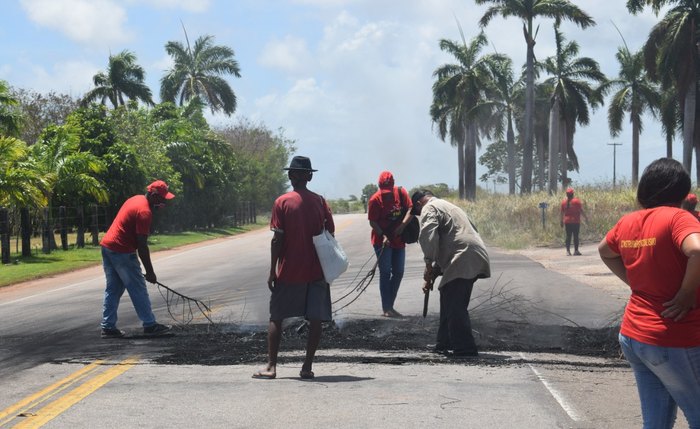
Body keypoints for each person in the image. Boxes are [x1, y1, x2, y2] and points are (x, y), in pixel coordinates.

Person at [598, 158, 700, 429]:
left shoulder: (628, 221)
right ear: (680, 190)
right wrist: (687, 293)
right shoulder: (678, 217)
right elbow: (698, 250)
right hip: (672, 336)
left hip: (634, 336)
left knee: (656, 423)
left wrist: (634, 281)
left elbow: (604, 251)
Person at [253, 155, 334, 380]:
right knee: (315, 319)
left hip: (290, 271)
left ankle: (271, 367)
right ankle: (307, 367)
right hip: (317, 271)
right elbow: (330, 234)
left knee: (277, 317)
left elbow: (277, 239)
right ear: (309, 176)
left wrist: (272, 270)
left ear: (291, 175)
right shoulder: (320, 201)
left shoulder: (282, 202)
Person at [411, 190, 490, 358]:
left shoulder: (429, 207)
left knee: (455, 305)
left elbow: (428, 235)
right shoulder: (450, 207)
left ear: (419, 203)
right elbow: (449, 238)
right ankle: (444, 342)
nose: (420, 215)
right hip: (473, 253)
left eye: (417, 213)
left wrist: (428, 262)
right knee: (448, 294)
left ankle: (465, 349)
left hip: (463, 254)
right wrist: (435, 271)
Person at [100, 180, 175, 338]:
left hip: (107, 247)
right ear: (154, 196)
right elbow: (142, 246)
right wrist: (150, 272)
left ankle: (108, 326)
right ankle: (150, 324)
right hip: (122, 251)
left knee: (113, 288)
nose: (163, 203)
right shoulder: (144, 212)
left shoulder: (135, 199)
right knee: (138, 288)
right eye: (161, 199)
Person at [367, 171, 413, 317]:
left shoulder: (401, 193)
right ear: (379, 186)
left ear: (393, 185)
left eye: (388, 191)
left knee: (398, 272)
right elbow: (372, 221)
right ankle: (387, 308)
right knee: (385, 272)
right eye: (384, 191)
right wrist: (383, 235)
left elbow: (411, 209)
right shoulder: (375, 200)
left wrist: (403, 225)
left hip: (399, 240)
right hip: (382, 242)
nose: (386, 194)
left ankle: (389, 305)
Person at [560, 187, 588, 256]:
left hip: (567, 222)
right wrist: (586, 218)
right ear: (572, 194)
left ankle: (568, 251)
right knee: (576, 236)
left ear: (567, 194)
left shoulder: (564, 202)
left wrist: (561, 221)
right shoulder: (576, 201)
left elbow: (561, 213)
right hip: (575, 221)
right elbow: (581, 210)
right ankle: (576, 250)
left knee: (568, 236)